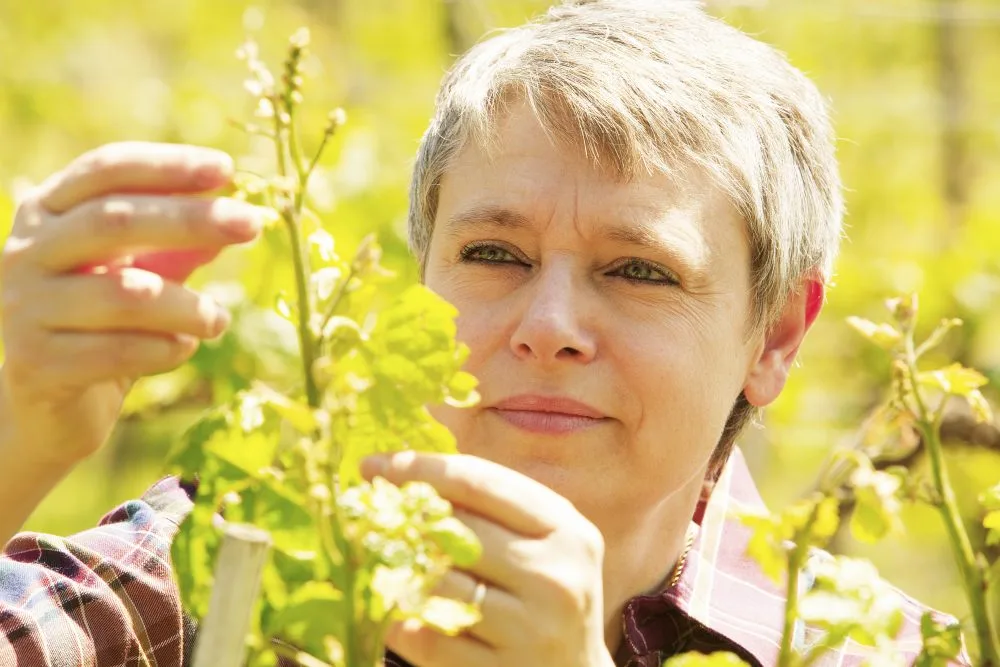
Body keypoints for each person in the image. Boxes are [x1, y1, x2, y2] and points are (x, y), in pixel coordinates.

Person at [0, 1, 972, 666]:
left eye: (639, 270)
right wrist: (20, 426)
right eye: (494, 253)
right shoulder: (262, 547)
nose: (547, 328)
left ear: (773, 339)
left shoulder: (869, 647)